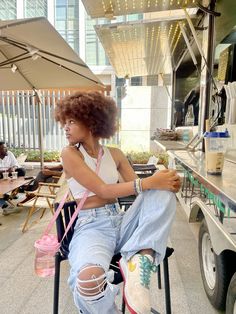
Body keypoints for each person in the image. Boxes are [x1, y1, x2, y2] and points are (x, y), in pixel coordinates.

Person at [54, 92, 181, 314]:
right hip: (91, 226)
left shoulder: (115, 154)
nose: (65, 127)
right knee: (88, 281)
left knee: (163, 193)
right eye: (64, 122)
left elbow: (142, 191)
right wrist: (149, 182)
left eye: (72, 121)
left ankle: (138, 263)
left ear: (91, 120)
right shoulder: (70, 154)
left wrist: (166, 183)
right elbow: (103, 190)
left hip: (121, 221)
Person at [0, 141, 26, 210]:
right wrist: (5, 171)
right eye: (4, 148)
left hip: (10, 173)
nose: (6, 149)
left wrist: (13, 168)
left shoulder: (9, 154)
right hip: (1, 174)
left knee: (21, 170)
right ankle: (3, 200)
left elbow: (16, 164)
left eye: (6, 147)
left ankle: (13, 193)